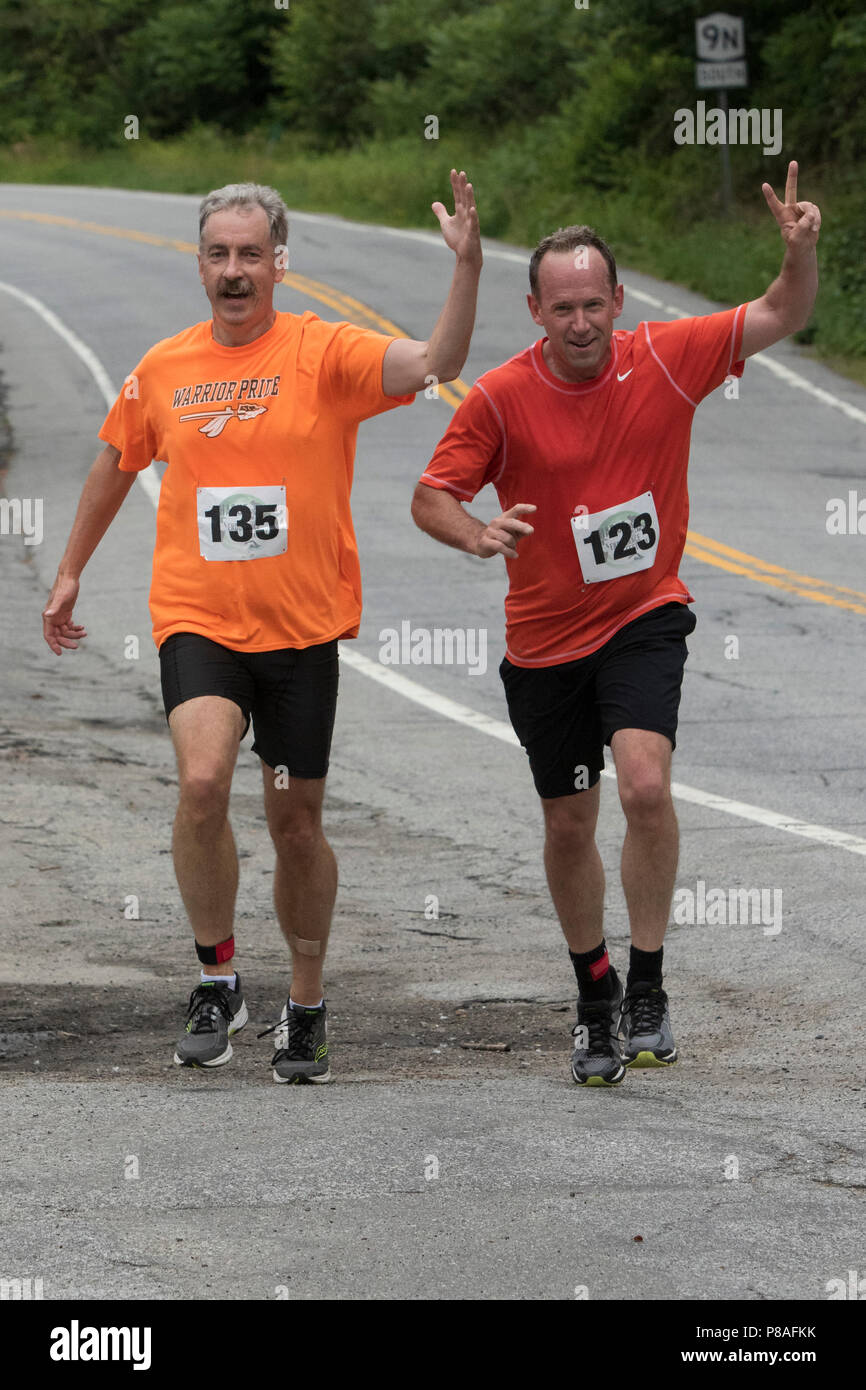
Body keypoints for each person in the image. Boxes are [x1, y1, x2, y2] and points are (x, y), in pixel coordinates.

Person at [43, 173, 482, 1084]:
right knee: (201, 782)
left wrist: (467, 269)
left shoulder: (326, 355)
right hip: (199, 622)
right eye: (218, 254)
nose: (234, 271)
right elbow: (117, 464)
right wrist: (73, 568)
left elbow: (437, 361)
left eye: (250, 254)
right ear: (198, 264)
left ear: (280, 263)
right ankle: (217, 978)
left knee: (295, 825)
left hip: (300, 632)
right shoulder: (164, 369)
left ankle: (308, 1005)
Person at [411, 162, 820, 1085]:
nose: (582, 324)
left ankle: (647, 986)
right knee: (567, 824)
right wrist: (477, 533)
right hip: (545, 642)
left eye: (595, 304)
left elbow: (780, 314)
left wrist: (800, 254)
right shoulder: (502, 398)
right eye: (563, 310)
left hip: (642, 619)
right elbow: (431, 494)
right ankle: (593, 995)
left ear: (619, 300)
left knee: (642, 786)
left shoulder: (667, 359)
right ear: (535, 314)